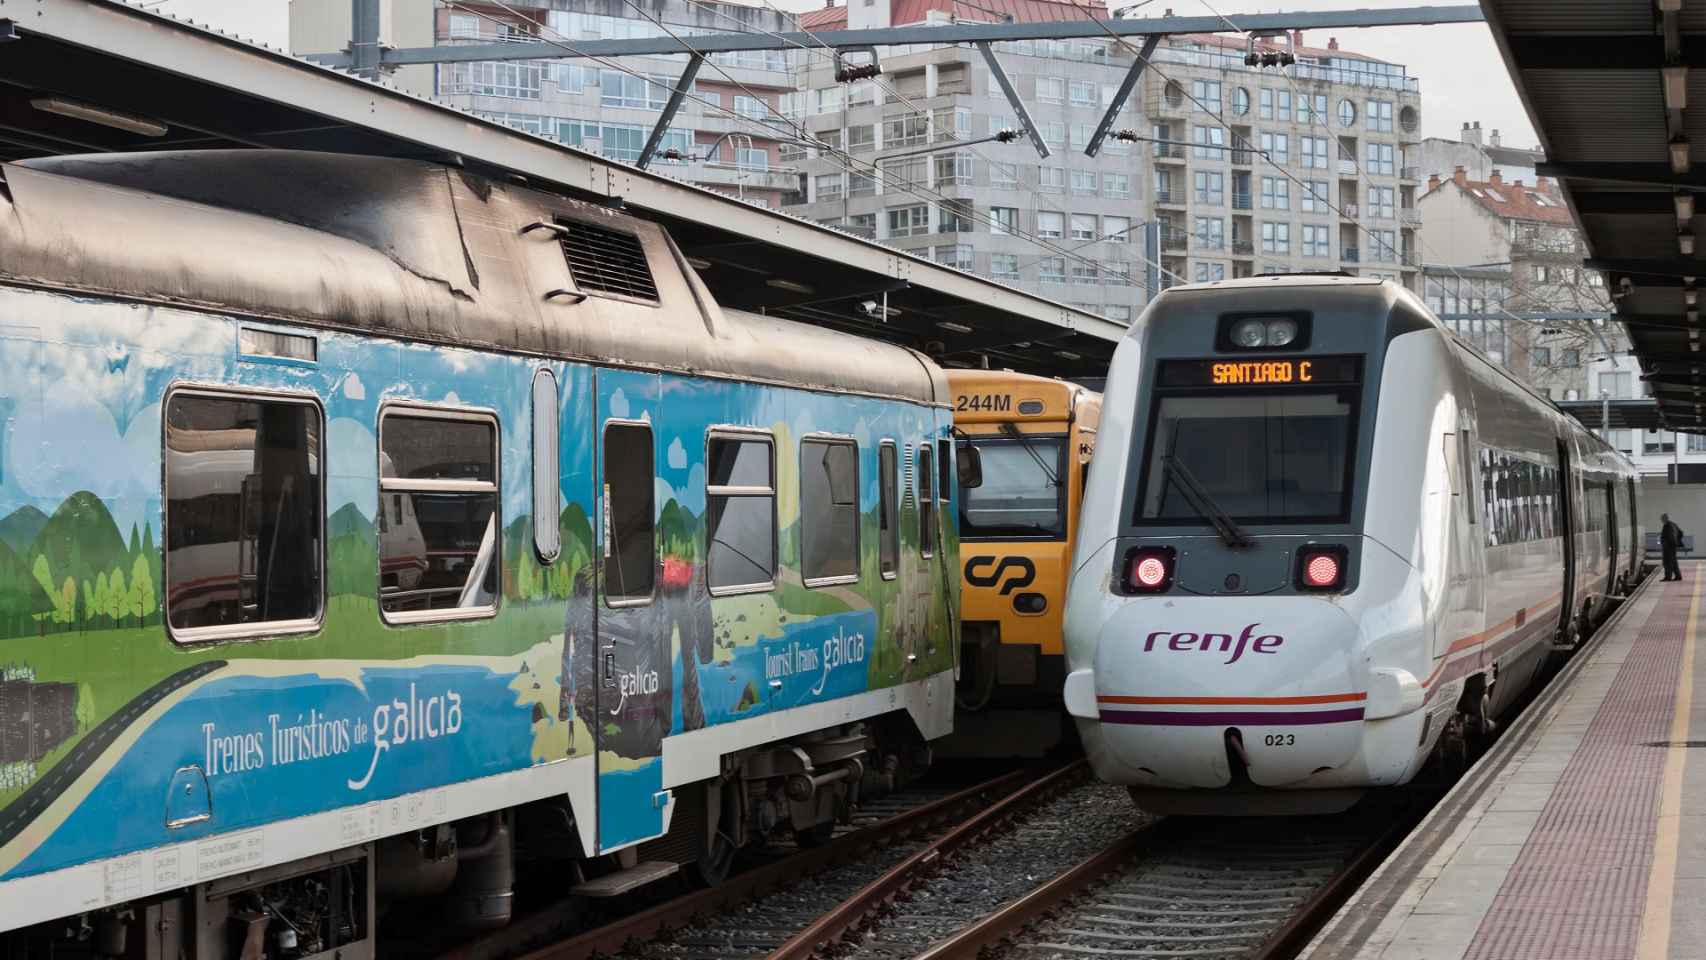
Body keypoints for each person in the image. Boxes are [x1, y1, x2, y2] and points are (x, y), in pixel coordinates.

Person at [1661, 513, 1686, 582]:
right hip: (1672, 546)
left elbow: (1670, 537)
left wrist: (1669, 543)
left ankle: (1668, 577)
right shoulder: (1673, 524)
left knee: (1667, 562)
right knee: (1674, 562)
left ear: (1665, 519)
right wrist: (1677, 541)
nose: (1661, 520)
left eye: (1662, 519)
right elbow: (1681, 533)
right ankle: (1678, 576)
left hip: (1668, 547)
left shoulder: (1667, 526)